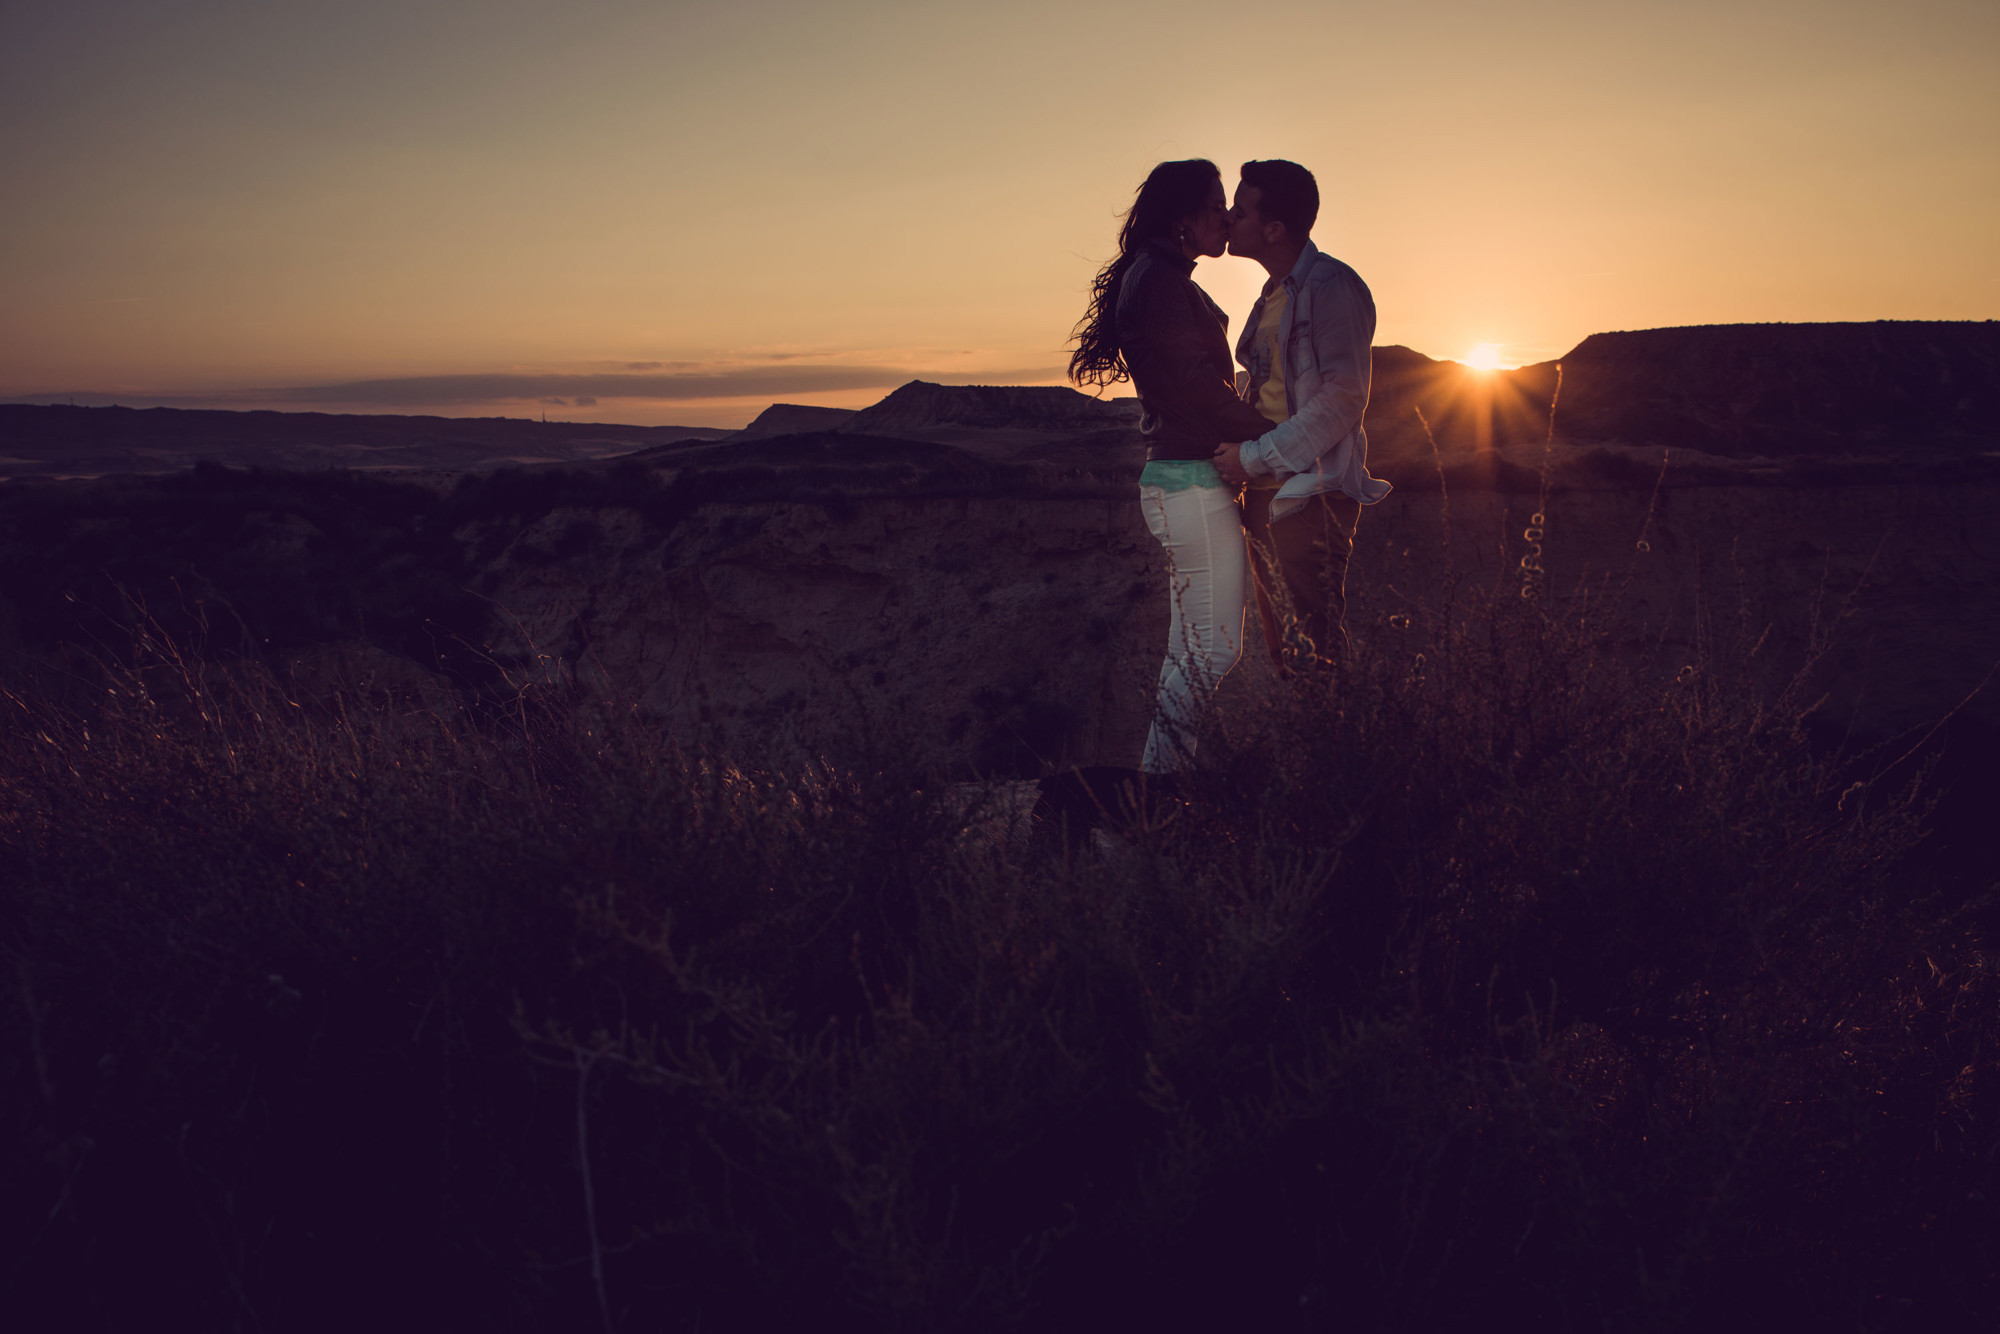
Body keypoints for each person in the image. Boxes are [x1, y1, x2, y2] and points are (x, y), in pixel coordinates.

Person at [1069, 159, 1275, 776]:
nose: (1225, 217)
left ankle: (1159, 796)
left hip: (1182, 482)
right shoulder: (1159, 280)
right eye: (1216, 205)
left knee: (1193, 649)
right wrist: (1279, 437)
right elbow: (1194, 388)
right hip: (1190, 484)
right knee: (1213, 649)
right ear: (1184, 217)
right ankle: (1156, 796)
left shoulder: (1160, 276)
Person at [1212, 160, 1391, 664]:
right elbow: (1269, 390)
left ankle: (1337, 745)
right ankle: (1312, 744)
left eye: (1239, 210)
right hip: (1266, 497)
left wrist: (1252, 458)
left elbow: (1343, 398)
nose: (1228, 218)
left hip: (1308, 499)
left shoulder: (1332, 287)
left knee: (1315, 657)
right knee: (1285, 655)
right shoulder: (1272, 296)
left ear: (1273, 229)